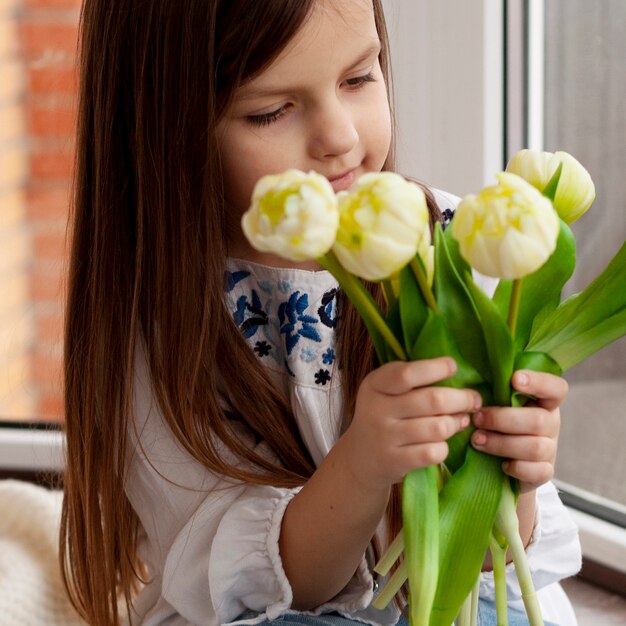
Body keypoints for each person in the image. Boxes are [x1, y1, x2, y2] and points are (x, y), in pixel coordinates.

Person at [60, 1, 581, 625]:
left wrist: (512, 473)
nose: (340, 138)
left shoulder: (456, 243)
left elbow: (496, 562)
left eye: (360, 77)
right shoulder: (167, 321)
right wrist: (364, 465)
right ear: (162, 130)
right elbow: (252, 592)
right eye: (270, 111)